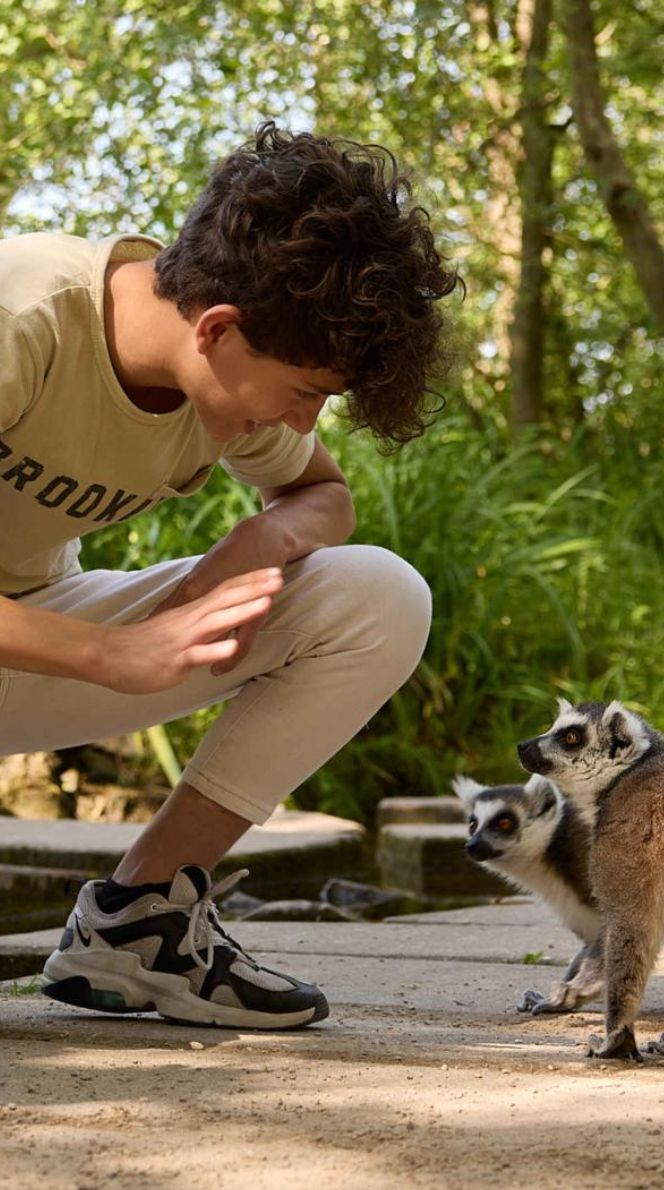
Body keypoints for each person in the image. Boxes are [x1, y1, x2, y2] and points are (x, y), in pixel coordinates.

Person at [0, 125, 459, 1029]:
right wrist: (107, 652)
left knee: (377, 596)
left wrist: (258, 542)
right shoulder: (24, 313)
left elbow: (325, 496)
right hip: (64, 647)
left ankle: (140, 922)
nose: (306, 420)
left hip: (25, 647)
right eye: (306, 391)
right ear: (217, 328)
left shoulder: (225, 372)